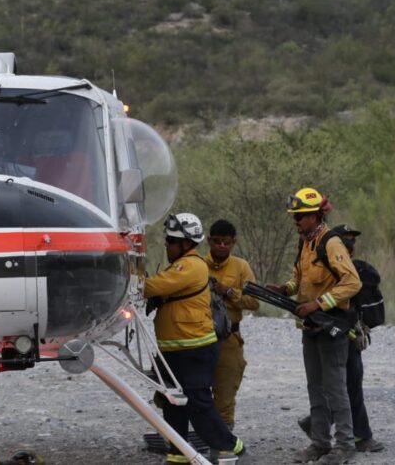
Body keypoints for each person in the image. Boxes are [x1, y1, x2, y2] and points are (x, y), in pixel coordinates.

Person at [266, 187, 361, 465]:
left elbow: (353, 283)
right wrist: (286, 288)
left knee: (335, 389)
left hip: (331, 328)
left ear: (316, 215)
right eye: (294, 217)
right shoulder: (306, 242)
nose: (296, 222)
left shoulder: (330, 242)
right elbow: (300, 278)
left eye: (301, 216)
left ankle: (344, 445)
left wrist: (319, 304)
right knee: (315, 388)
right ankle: (320, 443)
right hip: (310, 327)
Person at [144, 213, 246, 464]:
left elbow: (152, 287)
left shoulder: (190, 265)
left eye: (171, 240)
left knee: (198, 403)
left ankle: (231, 446)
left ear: (186, 243)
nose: (167, 244)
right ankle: (179, 451)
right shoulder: (182, 264)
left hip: (193, 349)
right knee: (173, 402)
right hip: (176, 349)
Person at [298, 229, 385, 453]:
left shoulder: (351, 272)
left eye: (353, 241)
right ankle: (354, 437)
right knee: (341, 386)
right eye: (346, 241)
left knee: (344, 385)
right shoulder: (332, 270)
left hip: (346, 333)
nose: (350, 245)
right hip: (336, 333)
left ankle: (351, 435)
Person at [204, 219, 260, 430]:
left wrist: (228, 291)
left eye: (226, 242)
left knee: (225, 394)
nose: (221, 246)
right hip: (200, 337)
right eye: (217, 241)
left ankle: (223, 444)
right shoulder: (198, 265)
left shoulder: (241, 267)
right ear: (209, 241)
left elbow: (254, 302)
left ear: (233, 243)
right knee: (195, 392)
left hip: (228, 339)